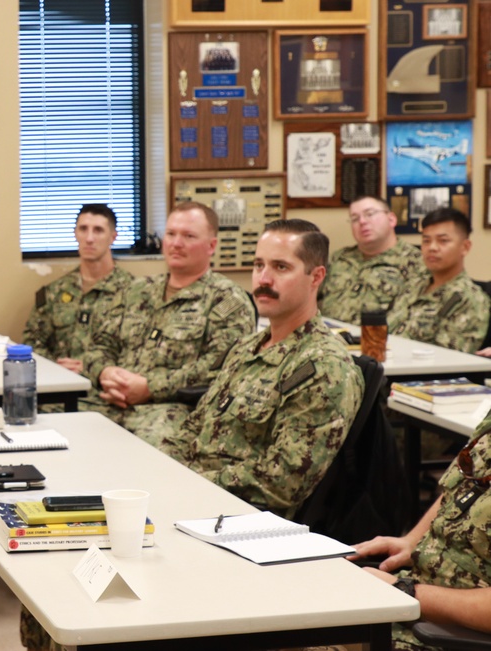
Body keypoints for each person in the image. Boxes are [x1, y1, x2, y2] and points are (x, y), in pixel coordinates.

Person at [158, 219, 363, 520]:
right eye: (258, 265)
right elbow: (193, 429)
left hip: (242, 519)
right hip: (194, 499)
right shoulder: (247, 347)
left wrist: (190, 482)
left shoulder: (323, 366)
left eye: (281, 267)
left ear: (315, 277)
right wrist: (158, 469)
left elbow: (284, 483)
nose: (263, 279)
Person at [79, 201, 255, 443]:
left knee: (153, 449)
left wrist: (150, 387)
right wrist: (105, 373)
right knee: (48, 425)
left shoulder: (227, 301)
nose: (176, 243)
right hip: (110, 401)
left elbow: (220, 369)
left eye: (188, 236)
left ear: (211, 245)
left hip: (170, 409)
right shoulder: (136, 290)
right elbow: (99, 345)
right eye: (171, 234)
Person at [353, 415, 491, 650]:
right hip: (413, 606)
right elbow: (464, 485)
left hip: (443, 636)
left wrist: (404, 591)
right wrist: (413, 541)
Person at [23, 203, 134, 376]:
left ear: (113, 237)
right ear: (75, 233)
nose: (89, 238)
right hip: (60, 387)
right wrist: (55, 366)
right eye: (83, 229)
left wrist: (95, 369)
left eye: (98, 230)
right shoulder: (55, 292)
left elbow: (140, 351)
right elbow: (32, 344)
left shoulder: (134, 293)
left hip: (108, 390)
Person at [386, 207, 489, 354]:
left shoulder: (468, 299)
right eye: (426, 241)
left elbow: (447, 360)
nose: (432, 248)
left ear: (465, 247)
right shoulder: (413, 285)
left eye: (443, 241)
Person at [318, 196, 426, 324]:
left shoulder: (415, 262)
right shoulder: (338, 258)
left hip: (381, 340)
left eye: (369, 214)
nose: (362, 221)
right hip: (330, 338)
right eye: (355, 218)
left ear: (391, 219)